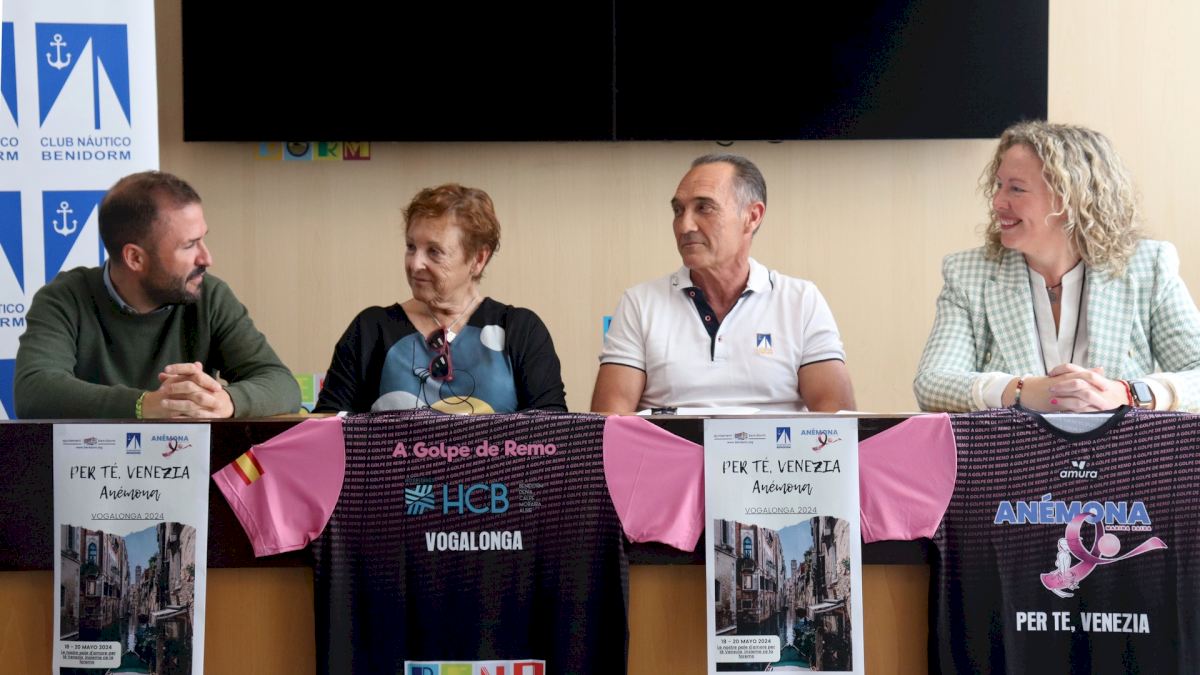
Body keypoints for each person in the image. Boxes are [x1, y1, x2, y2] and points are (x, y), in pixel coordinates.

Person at [914, 120, 1200, 412]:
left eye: (1016, 189)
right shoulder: (968, 274)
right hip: (1014, 444)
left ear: (1070, 199)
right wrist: (1020, 390)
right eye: (999, 185)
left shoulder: (1148, 267)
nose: (997, 202)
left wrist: (1129, 393)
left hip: (1121, 443)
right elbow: (932, 383)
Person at [15, 170, 300, 419]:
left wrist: (226, 401)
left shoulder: (209, 295)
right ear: (135, 258)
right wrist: (145, 405)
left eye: (203, 239)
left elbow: (282, 384)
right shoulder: (64, 298)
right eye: (189, 245)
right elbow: (34, 391)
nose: (206, 258)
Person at [591, 154, 855, 413]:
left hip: (775, 444)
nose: (685, 226)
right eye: (678, 210)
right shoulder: (639, 304)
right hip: (668, 444)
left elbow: (838, 421)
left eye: (704, 208)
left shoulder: (801, 301)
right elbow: (609, 421)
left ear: (752, 216)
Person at [314, 184, 566, 414]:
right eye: (411, 247)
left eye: (434, 251)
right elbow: (327, 430)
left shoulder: (521, 330)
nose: (415, 264)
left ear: (478, 259)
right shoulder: (370, 329)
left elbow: (553, 433)